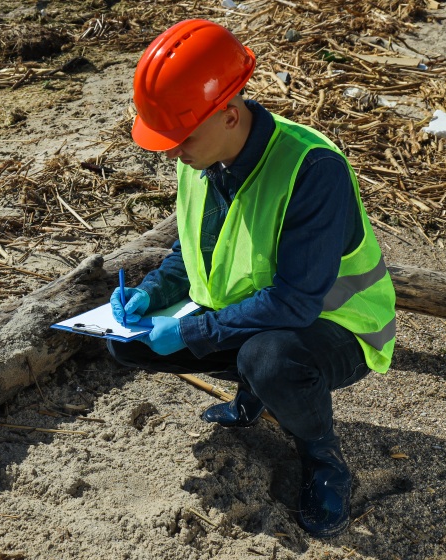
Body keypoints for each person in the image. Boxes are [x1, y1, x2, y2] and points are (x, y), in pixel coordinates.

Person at [108, 19, 396, 538]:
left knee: (269, 359)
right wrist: (152, 293)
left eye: (181, 138)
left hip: (341, 326)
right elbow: (193, 252)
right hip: (260, 313)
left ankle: (322, 457)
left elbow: (296, 302)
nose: (172, 153)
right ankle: (255, 392)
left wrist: (194, 331)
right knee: (127, 345)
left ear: (232, 116)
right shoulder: (199, 154)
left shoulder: (312, 169)